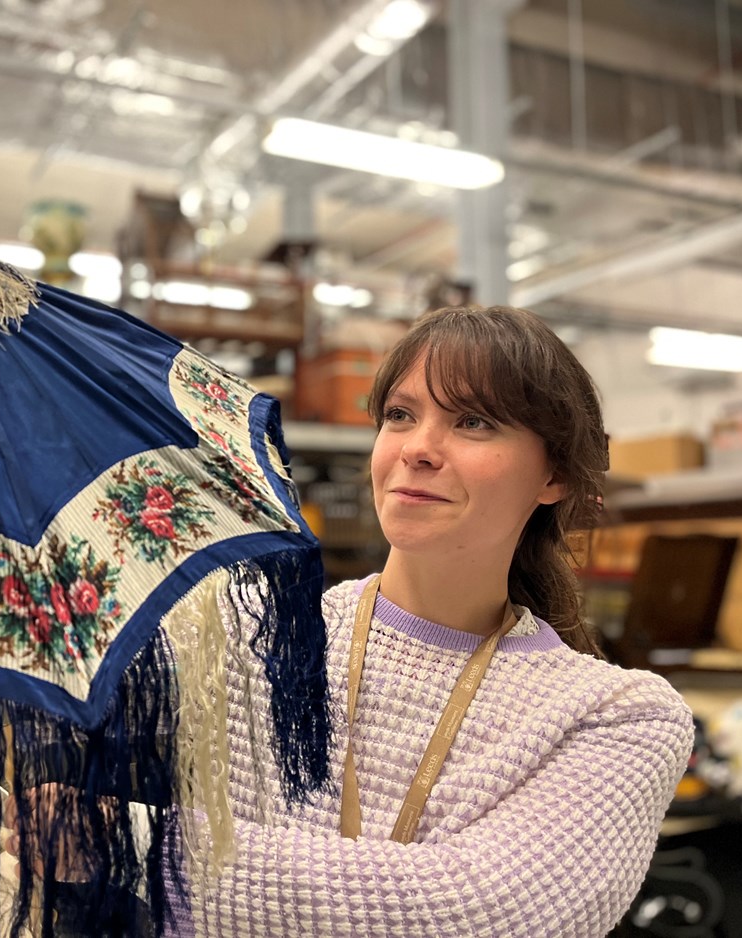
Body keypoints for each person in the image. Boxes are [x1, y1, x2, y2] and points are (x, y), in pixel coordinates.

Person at [170, 304, 693, 937]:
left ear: (554, 474)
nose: (417, 449)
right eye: (399, 415)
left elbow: (472, 914)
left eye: (473, 422)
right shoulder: (239, 633)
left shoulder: (617, 715)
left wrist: (137, 848)